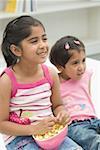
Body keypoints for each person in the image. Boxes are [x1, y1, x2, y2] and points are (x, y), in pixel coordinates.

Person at [0, 16, 82, 150]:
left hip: (50, 132)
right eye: (34, 41)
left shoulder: (51, 74)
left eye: (44, 38)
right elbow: (1, 124)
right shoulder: (6, 81)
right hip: (20, 138)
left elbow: (57, 105)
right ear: (16, 50)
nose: (43, 45)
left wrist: (62, 113)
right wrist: (33, 129)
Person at [49, 35, 100, 150]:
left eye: (83, 61)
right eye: (75, 63)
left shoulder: (86, 75)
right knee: (94, 141)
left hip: (94, 119)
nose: (81, 67)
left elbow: (87, 96)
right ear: (60, 67)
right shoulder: (55, 83)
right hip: (74, 125)